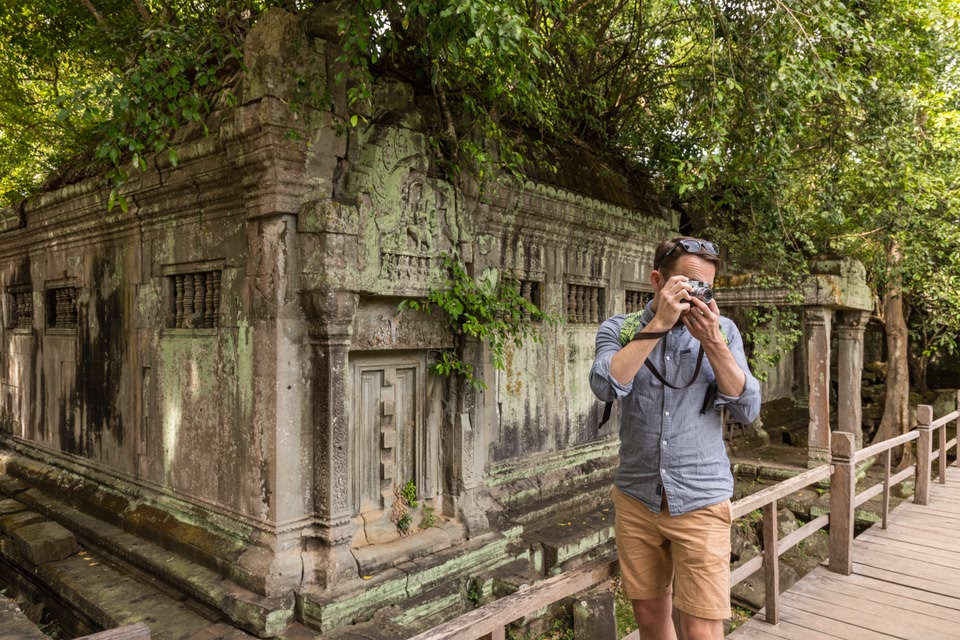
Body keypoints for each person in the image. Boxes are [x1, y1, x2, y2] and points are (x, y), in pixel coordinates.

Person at [589, 236, 761, 640]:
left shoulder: (724, 331)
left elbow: (748, 408)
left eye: (705, 287)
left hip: (700, 499)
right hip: (636, 499)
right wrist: (658, 325)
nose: (695, 294)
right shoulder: (621, 328)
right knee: (650, 623)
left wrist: (713, 342)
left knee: (701, 629)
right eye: (686, 283)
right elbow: (605, 383)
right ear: (657, 280)